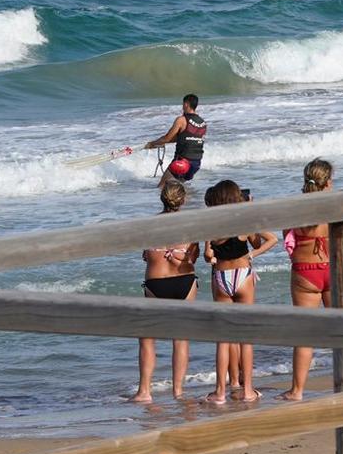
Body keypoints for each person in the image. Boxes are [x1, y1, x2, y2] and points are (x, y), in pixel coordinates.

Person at [201, 179, 273, 404]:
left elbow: (207, 255)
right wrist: (252, 255)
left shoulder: (211, 224)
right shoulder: (243, 222)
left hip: (221, 276)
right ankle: (248, 390)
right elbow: (270, 239)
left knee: (223, 339)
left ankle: (220, 392)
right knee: (246, 338)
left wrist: (212, 257)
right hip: (243, 274)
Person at [132, 177, 196, 404]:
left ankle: (144, 392)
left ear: (162, 199)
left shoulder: (150, 225)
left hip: (156, 283)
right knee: (181, 339)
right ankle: (178, 391)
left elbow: (145, 255)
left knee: (147, 339)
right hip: (184, 281)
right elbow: (194, 256)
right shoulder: (191, 223)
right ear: (184, 200)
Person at [280, 158, 332, 399]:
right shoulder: (335, 206)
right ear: (328, 183)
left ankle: (297, 390)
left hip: (304, 270)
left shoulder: (295, 208)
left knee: (305, 335)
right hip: (331, 267)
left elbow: (286, 236)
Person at [144, 94, 207, 185]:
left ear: (186, 104)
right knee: (178, 188)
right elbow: (185, 138)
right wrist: (159, 144)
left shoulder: (181, 120)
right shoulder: (203, 123)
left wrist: (152, 144)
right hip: (196, 164)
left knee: (162, 187)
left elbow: (167, 138)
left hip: (182, 162)